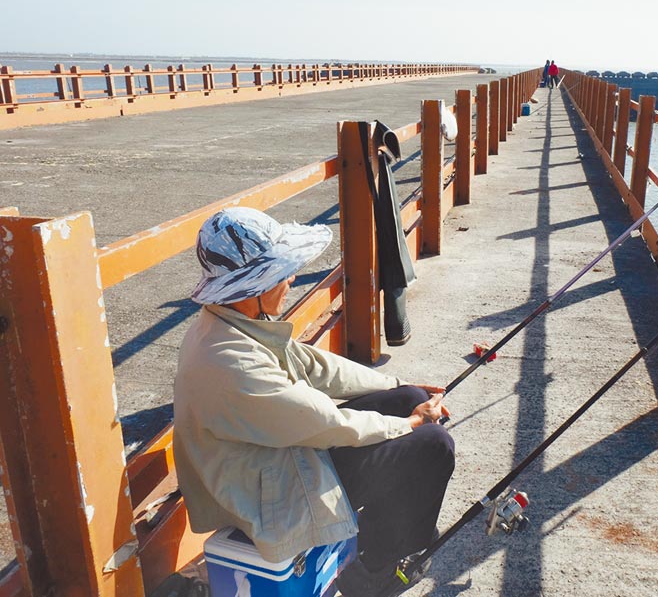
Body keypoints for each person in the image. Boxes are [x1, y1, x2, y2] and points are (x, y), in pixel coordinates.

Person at [173, 207, 454, 596]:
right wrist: (410, 424)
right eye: (280, 273)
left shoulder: (228, 321)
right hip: (264, 491)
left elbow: (314, 365)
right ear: (251, 288)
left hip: (279, 455)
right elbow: (324, 423)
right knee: (432, 446)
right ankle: (373, 572)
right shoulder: (229, 362)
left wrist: (399, 384)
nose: (290, 278)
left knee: (409, 399)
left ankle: (382, 541)